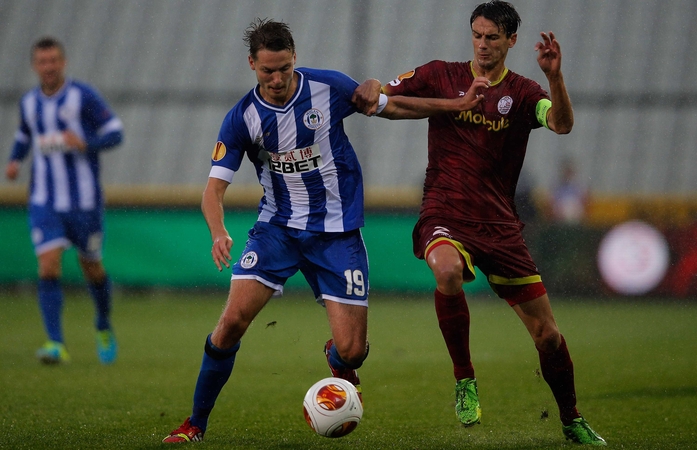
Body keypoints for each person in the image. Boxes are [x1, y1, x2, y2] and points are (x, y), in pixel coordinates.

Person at [162, 18, 487, 443]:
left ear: (295, 57)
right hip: (276, 230)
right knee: (231, 323)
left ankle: (337, 359)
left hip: (337, 234)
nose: (276, 79)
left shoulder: (329, 88)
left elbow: (393, 105)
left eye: (283, 68)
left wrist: (455, 105)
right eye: (267, 71)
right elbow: (213, 190)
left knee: (353, 352)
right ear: (251, 65)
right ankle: (195, 425)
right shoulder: (242, 117)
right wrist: (218, 231)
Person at [354, 1, 605, 445]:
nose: (483, 44)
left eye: (493, 37)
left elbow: (563, 125)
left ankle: (571, 418)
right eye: (477, 35)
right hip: (444, 211)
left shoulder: (525, 92)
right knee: (447, 270)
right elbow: (384, 103)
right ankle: (464, 380)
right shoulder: (441, 74)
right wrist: (377, 87)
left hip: (500, 225)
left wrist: (555, 76)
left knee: (548, 336)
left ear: (511, 41)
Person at [4, 37, 124, 365]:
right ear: (35, 65)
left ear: (63, 62)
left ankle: (102, 322)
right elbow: (24, 135)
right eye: (43, 61)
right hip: (44, 201)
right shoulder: (29, 102)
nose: (49, 66)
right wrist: (15, 160)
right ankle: (55, 342)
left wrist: (85, 142)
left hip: (84, 203)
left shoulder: (82, 96)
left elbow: (115, 132)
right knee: (48, 264)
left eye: (54, 60)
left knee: (92, 268)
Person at [546, 157, 588, 224]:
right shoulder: (557, 185)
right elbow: (551, 201)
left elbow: (584, 201)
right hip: (560, 212)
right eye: (566, 171)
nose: (567, 173)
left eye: (569, 171)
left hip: (575, 212)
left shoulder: (578, 185)